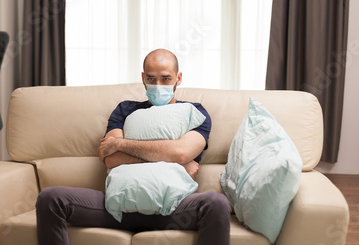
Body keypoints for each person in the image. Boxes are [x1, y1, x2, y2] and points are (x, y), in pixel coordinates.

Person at [36, 49, 231, 245]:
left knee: (217, 204)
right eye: (151, 78)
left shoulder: (195, 112)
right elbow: (111, 158)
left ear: (178, 78)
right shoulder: (125, 109)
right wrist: (173, 162)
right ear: (143, 78)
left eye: (165, 79)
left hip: (173, 208)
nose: (158, 85)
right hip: (118, 208)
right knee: (50, 198)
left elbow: (180, 153)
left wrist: (121, 144)